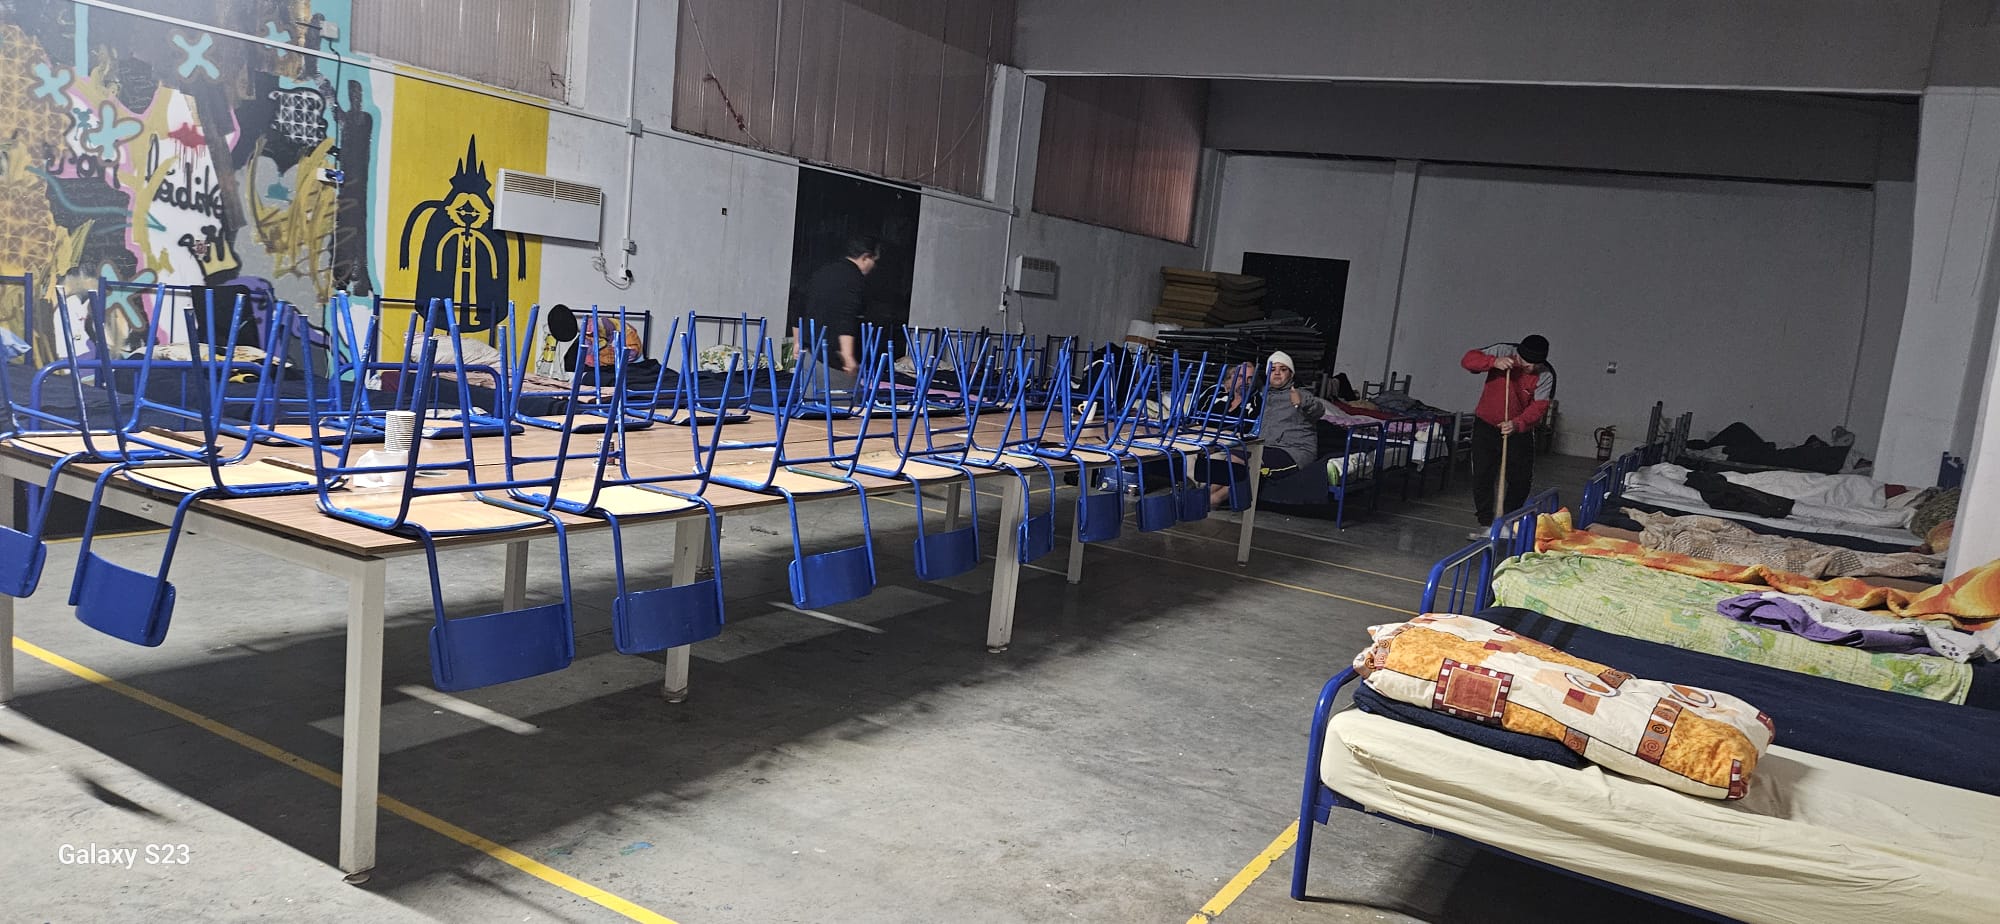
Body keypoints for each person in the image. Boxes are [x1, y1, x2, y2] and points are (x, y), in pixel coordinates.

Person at [1462, 334, 1556, 533]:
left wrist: (1517, 424)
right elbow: (1468, 361)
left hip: (1518, 430)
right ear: (1519, 355)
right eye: (1527, 363)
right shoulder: (1502, 351)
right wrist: (1493, 362)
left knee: (1521, 479)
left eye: (1536, 364)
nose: (1531, 367)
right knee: (1483, 474)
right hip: (1486, 425)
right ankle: (1486, 522)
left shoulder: (1546, 374)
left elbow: (1538, 408)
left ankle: (1507, 521)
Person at [1209, 351, 1325, 507]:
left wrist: (1302, 403)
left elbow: (1318, 410)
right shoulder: (1263, 394)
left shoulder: (1301, 394)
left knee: (1246, 461)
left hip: (1293, 450)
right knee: (1233, 456)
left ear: (1291, 374)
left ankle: (1213, 499)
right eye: (1273, 369)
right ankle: (1206, 495)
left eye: (1283, 369)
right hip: (1266, 447)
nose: (1277, 373)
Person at [797, 235, 879, 383]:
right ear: (866, 257)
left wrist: (798, 341)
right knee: (839, 397)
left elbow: (798, 306)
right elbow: (845, 317)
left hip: (810, 350)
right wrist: (848, 355)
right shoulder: (854, 279)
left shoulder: (822, 272)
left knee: (811, 395)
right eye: (874, 260)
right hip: (834, 358)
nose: (874, 266)